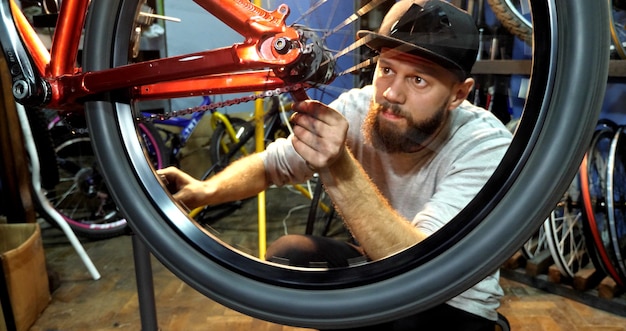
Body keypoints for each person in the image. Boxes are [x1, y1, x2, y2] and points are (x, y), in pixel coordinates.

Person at [158, 0, 512, 330]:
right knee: (290, 257)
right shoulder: (360, 107)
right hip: (381, 267)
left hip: (450, 299)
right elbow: (272, 165)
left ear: (458, 95)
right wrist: (204, 191)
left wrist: (338, 166)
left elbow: (423, 265)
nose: (391, 93)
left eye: (418, 79)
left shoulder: (484, 146)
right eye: (387, 69)